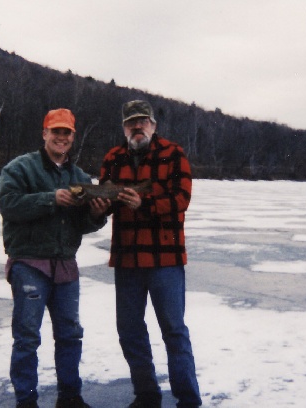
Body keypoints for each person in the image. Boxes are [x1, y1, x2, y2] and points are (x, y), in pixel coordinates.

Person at [0, 108, 111, 408]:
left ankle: (70, 397)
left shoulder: (80, 177)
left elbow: (81, 224)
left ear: (73, 137)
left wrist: (97, 215)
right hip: (29, 266)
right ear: (44, 133)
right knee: (27, 337)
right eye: (56, 131)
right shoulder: (19, 168)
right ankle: (26, 400)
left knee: (71, 335)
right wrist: (50, 198)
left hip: (66, 268)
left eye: (67, 133)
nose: (61, 137)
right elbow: (8, 205)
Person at [99, 100, 202, 408]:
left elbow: (181, 199)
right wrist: (101, 206)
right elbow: (104, 200)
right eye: (132, 122)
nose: (138, 127)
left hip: (165, 261)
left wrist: (144, 205)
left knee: (173, 330)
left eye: (143, 121)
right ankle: (146, 395)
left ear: (154, 125)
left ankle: (188, 400)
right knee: (129, 330)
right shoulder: (113, 158)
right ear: (124, 128)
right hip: (127, 260)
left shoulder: (174, 154)